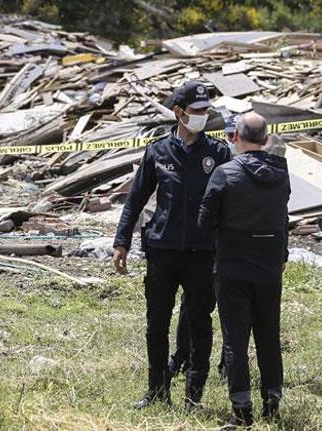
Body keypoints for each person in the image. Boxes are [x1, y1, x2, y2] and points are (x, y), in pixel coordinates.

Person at [113, 81, 231, 410]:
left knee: (199, 324)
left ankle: (193, 396)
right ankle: (156, 390)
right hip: (162, 251)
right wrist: (121, 241)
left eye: (205, 111)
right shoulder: (158, 151)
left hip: (202, 253)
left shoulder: (218, 153)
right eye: (195, 112)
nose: (202, 117)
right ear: (178, 113)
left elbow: (233, 202)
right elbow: (135, 200)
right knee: (156, 324)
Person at [198, 112, 290, 428]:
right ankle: (272, 406)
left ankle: (242, 412)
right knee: (268, 336)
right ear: (266, 140)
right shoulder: (282, 173)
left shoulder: (225, 173)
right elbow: (283, 219)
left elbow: (204, 221)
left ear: (234, 136)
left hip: (233, 266)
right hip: (269, 267)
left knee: (235, 340)